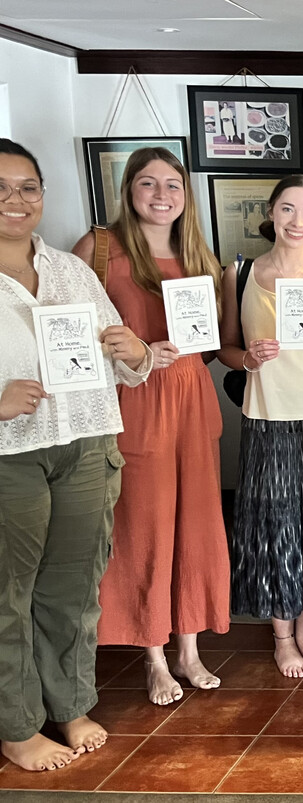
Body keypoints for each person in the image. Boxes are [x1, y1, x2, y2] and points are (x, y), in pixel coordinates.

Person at [0, 139, 152, 771]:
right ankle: (16, 723)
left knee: (73, 585)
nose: (15, 200)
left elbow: (123, 363)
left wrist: (134, 351)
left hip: (87, 441)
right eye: (1, 188)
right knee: (7, 591)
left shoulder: (71, 270)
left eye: (28, 187)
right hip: (10, 452)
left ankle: (69, 702)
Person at [71, 148, 230, 707]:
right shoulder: (99, 248)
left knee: (196, 521)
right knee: (145, 525)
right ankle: (153, 653)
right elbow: (68, 335)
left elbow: (209, 344)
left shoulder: (198, 254)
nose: (161, 195)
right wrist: (135, 357)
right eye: (148, 184)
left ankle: (189, 646)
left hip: (191, 396)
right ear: (128, 190)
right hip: (135, 401)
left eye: (173, 185)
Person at [218, 176, 303, 678]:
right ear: (271, 213)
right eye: (288, 210)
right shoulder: (241, 273)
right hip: (268, 415)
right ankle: (281, 638)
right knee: (276, 525)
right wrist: (248, 357)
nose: (298, 222)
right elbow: (227, 349)